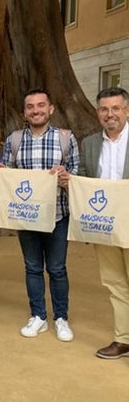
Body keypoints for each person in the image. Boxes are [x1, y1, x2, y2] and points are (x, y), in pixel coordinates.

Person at [0, 88, 78, 342]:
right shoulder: (13, 140)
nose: (36, 110)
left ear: (50, 109)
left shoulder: (66, 138)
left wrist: (66, 178)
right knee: (32, 267)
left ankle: (61, 318)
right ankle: (39, 316)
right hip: (27, 216)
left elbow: (78, 174)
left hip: (57, 215)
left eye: (41, 105)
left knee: (57, 268)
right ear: (25, 112)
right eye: (30, 107)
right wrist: (1, 171)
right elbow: (8, 175)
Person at [70, 87, 129, 358]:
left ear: (126, 110)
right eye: (104, 109)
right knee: (115, 282)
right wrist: (69, 181)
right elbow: (83, 176)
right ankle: (123, 338)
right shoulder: (90, 143)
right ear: (97, 113)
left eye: (116, 108)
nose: (110, 114)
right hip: (104, 225)